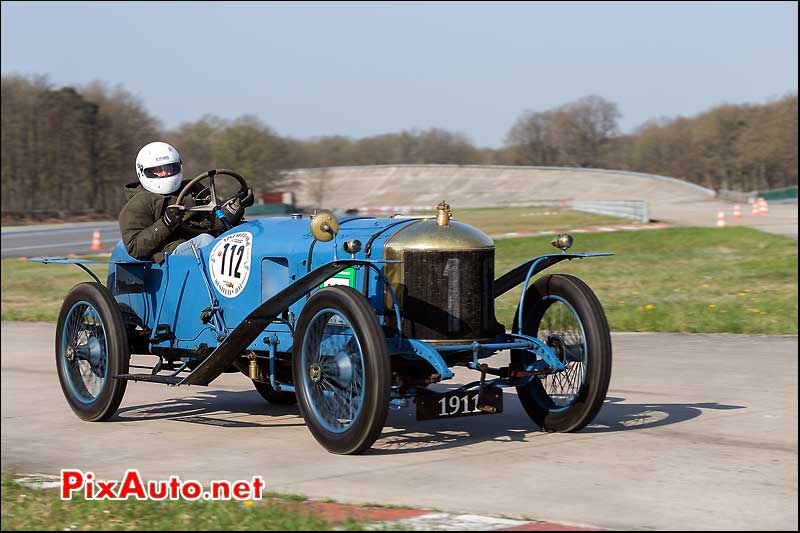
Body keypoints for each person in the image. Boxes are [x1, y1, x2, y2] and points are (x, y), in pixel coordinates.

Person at [119, 141, 252, 263]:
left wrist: (236, 205)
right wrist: (165, 224)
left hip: (205, 245)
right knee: (205, 241)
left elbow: (217, 224)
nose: (165, 173)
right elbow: (135, 248)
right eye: (158, 170)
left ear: (179, 166)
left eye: (170, 168)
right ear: (143, 172)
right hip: (170, 256)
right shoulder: (139, 203)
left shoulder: (193, 188)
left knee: (247, 234)